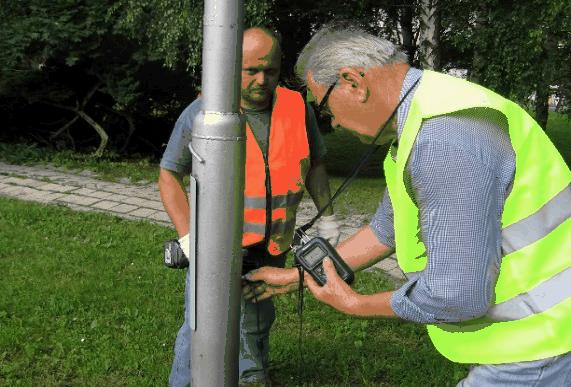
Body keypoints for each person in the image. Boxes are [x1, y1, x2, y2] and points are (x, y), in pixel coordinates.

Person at [245, 25, 571, 386]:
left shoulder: (443, 138)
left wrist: (356, 304)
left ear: (353, 82)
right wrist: (298, 276)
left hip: (539, 345)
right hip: (538, 335)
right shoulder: (425, 113)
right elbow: (387, 229)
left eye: (325, 108)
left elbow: (457, 296)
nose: (333, 122)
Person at [159, 27, 340, 386]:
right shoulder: (204, 111)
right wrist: (188, 238)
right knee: (202, 326)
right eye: (251, 70)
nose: (262, 80)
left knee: (257, 320)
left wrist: (329, 219)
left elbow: (316, 164)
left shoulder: (295, 107)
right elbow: (168, 175)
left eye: (270, 71)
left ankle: (251, 376)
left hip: (272, 245)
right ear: (231, 66)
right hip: (215, 249)